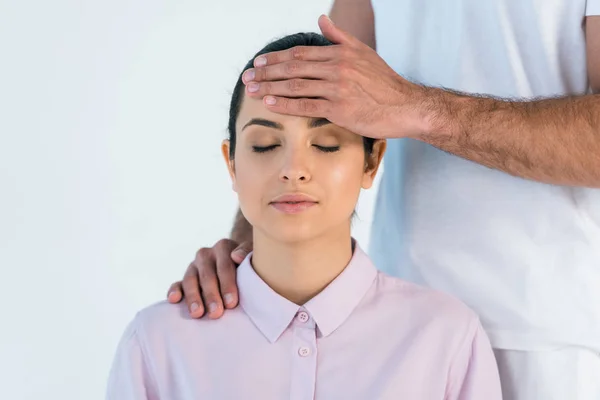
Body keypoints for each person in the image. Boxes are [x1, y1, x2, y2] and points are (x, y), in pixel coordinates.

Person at [167, 2, 600, 400]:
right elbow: (313, 86)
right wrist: (246, 250)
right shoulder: (157, 342)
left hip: (547, 336)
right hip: (387, 332)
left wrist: (420, 108)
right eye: (260, 146)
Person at [106, 33, 502, 399]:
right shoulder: (159, 343)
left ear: (372, 162)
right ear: (232, 165)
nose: (294, 168)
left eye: (326, 144)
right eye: (264, 145)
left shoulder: (445, 339)